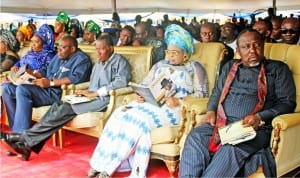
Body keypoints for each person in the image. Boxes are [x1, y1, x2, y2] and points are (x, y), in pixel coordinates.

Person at [86, 24, 208, 178]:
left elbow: (202, 94)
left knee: (139, 121)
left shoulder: (194, 67)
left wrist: (179, 100)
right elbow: (144, 85)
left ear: (185, 54)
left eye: (175, 53)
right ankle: (99, 162)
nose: (170, 56)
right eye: (168, 52)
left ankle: (108, 169)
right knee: (119, 114)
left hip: (173, 108)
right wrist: (139, 95)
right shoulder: (160, 65)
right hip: (150, 102)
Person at [179, 29, 296, 177]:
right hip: (223, 124)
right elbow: (217, 92)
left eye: (257, 45)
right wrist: (210, 111)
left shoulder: (278, 69)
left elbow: (287, 103)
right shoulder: (230, 66)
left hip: (254, 129)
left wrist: (260, 117)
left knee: (231, 147)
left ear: (263, 46)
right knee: (196, 136)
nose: (252, 51)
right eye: (246, 47)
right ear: (238, 50)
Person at [0, 35, 131, 161]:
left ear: (111, 48)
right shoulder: (98, 64)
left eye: (101, 49)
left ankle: (21, 138)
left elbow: (121, 82)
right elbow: (90, 86)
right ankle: (27, 145)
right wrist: (83, 93)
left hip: (103, 100)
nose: (98, 53)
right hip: (90, 97)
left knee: (66, 108)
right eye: (96, 49)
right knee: (59, 104)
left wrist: (96, 93)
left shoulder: (119, 61)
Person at [1, 36, 92, 134]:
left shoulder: (82, 60)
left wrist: (51, 83)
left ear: (72, 49)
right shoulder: (59, 56)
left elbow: (75, 78)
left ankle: (20, 135)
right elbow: (46, 70)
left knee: (22, 90)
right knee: (7, 88)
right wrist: (32, 73)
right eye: (58, 47)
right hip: (43, 88)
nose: (59, 50)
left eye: (63, 48)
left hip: (56, 93)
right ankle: (14, 129)